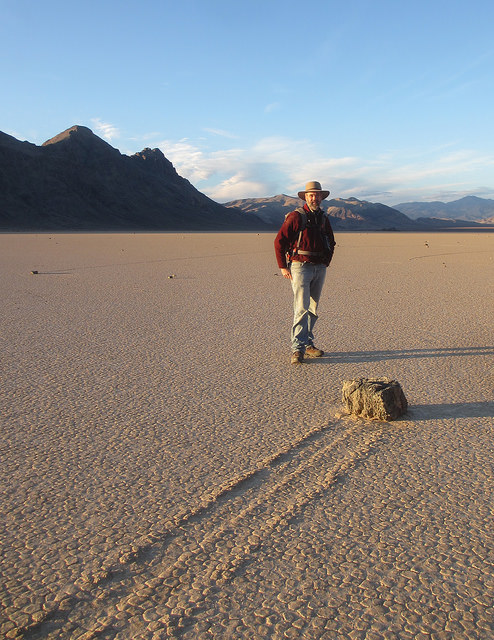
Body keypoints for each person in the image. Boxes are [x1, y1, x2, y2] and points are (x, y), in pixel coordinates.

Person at [274, 181, 336, 365]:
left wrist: (326, 262)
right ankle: (297, 349)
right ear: (306, 197)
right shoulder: (296, 216)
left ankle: (308, 343)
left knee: (313, 308)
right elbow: (279, 242)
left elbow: (331, 242)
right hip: (300, 266)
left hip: (319, 267)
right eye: (311, 195)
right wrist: (283, 266)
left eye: (317, 195)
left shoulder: (323, 218)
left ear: (321, 198)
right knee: (301, 308)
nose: (314, 198)